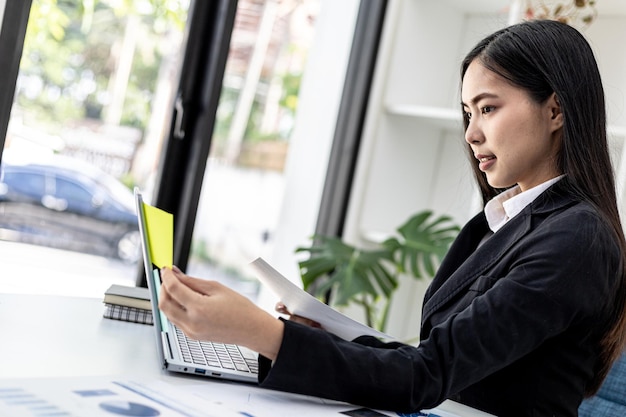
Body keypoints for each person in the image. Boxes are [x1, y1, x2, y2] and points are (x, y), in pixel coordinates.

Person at [158, 19, 626, 417]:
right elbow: (438, 360)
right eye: (467, 112)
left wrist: (258, 331)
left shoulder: (578, 239)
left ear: (555, 109)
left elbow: (427, 376)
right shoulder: (504, 223)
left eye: (488, 108)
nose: (471, 133)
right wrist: (324, 339)